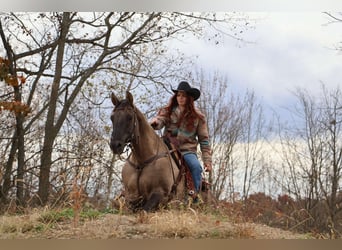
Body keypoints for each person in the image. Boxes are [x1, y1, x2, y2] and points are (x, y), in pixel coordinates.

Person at [150, 81, 212, 202]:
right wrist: (155, 122)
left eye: (183, 96)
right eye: (178, 95)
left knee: (196, 167)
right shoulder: (167, 111)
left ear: (189, 98)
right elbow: (160, 120)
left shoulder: (198, 117)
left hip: (187, 150)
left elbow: (204, 140)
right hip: (167, 146)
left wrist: (207, 161)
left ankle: (194, 197)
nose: (180, 98)